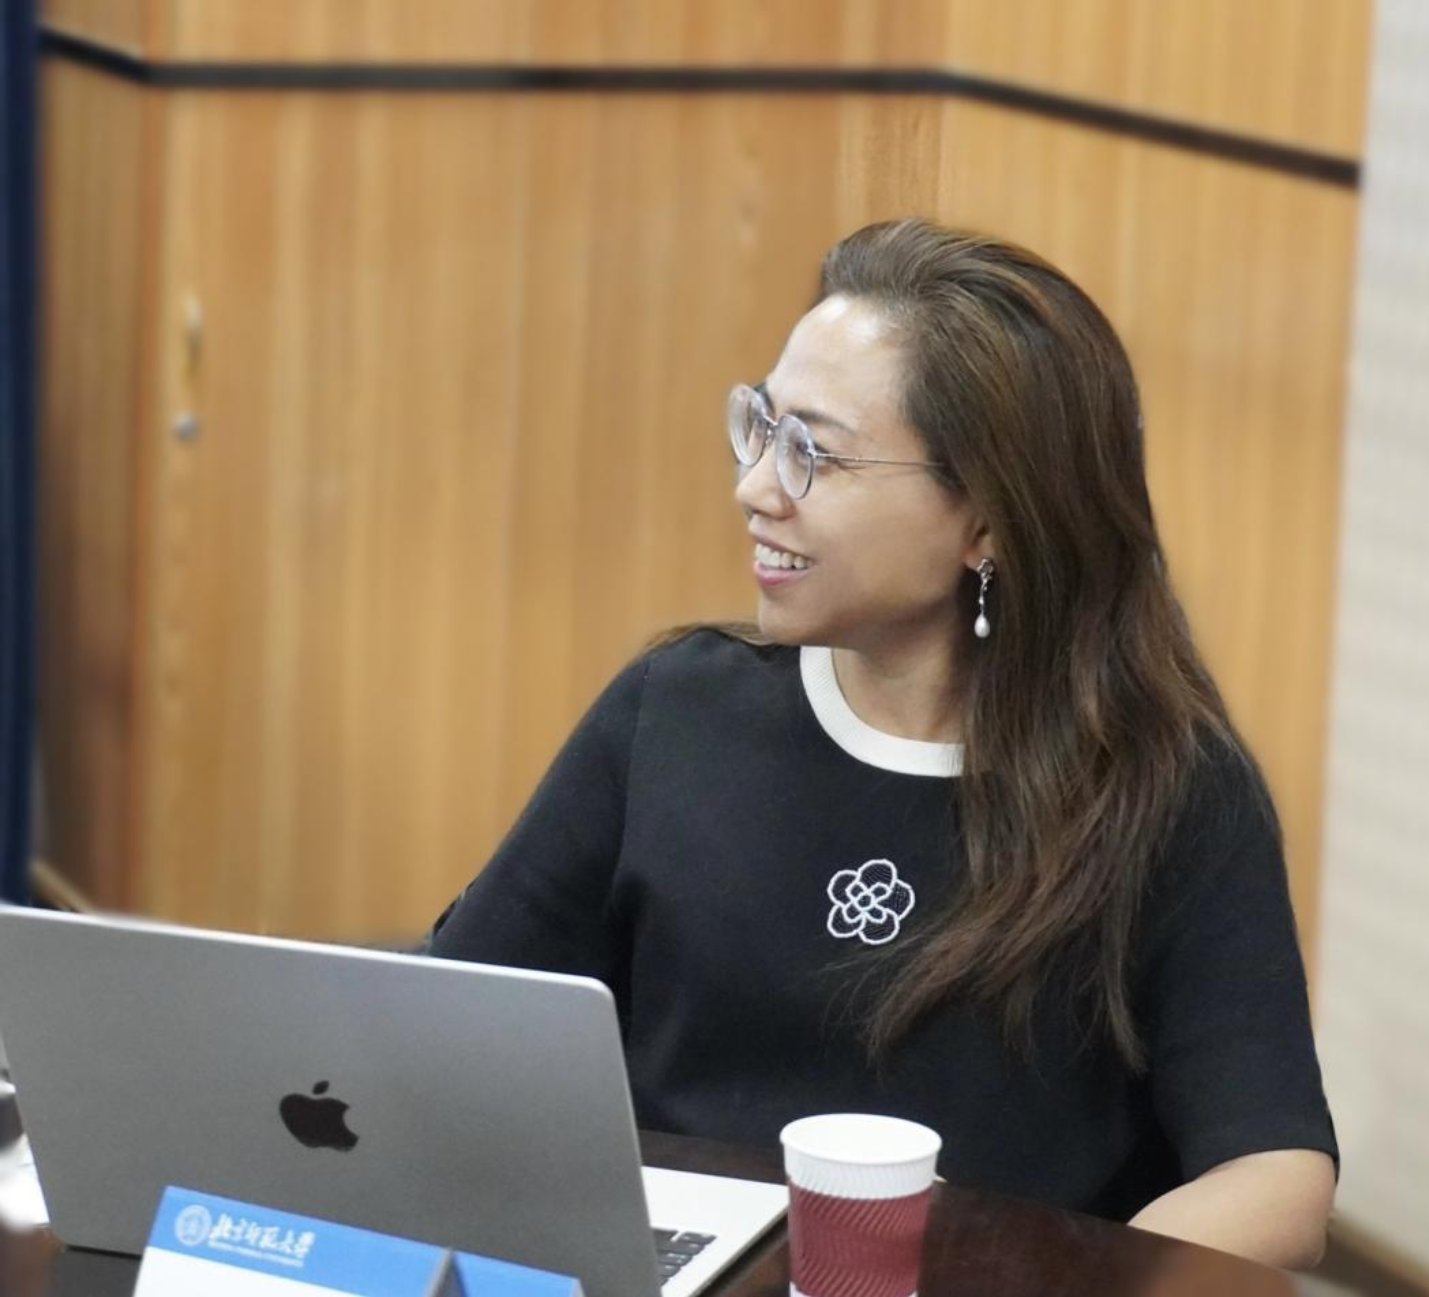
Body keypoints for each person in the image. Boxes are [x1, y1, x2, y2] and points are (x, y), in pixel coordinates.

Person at [425, 218, 1338, 1268]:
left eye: (813, 453)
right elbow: (455, 1020)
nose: (755, 488)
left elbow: (1277, 1178)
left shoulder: (1165, 790)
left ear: (987, 522)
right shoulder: (671, 712)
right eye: (762, 427)